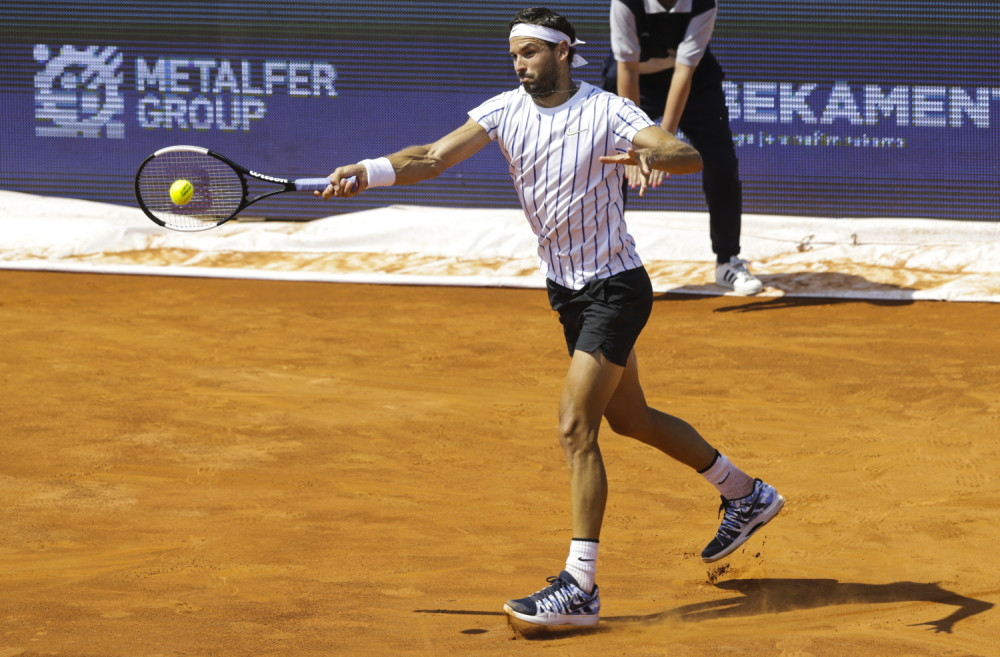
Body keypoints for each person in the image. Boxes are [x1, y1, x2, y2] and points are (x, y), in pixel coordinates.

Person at [318, 6, 783, 628]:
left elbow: (683, 153)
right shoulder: (504, 110)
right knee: (631, 418)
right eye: (514, 54)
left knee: (575, 427)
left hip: (616, 286)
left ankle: (580, 586)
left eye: (531, 53)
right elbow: (430, 156)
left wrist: (657, 158)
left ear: (563, 52)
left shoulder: (607, 110)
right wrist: (368, 172)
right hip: (567, 291)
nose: (520, 64)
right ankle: (743, 492)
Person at [600, 0, 764, 295]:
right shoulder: (625, 3)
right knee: (613, 163)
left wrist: (664, 148)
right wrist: (635, 144)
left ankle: (727, 261)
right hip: (632, 81)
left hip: (695, 84)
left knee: (722, 161)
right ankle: (605, 265)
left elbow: (684, 73)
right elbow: (627, 68)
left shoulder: (703, 3)